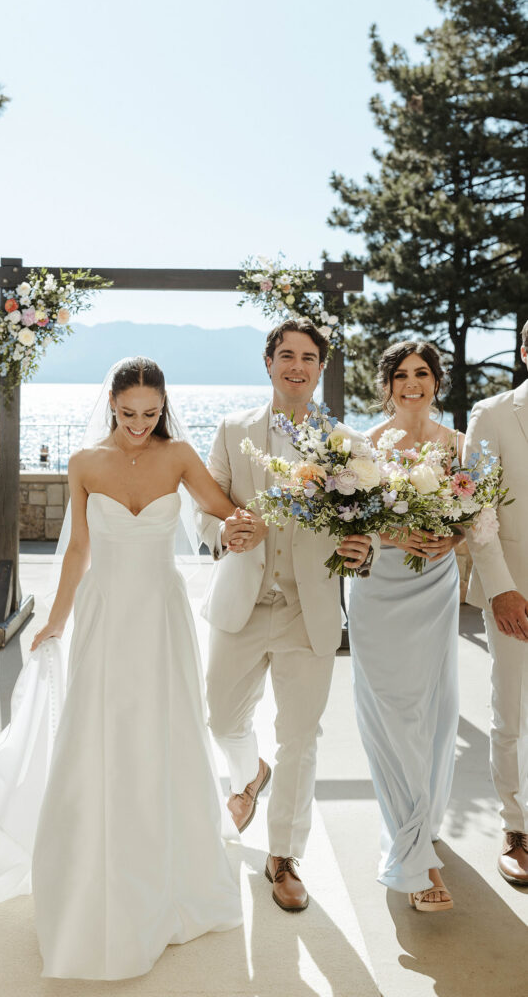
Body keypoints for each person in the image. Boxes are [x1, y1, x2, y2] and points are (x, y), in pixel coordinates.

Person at [0, 357, 242, 980]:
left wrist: (245, 523)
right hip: (106, 611)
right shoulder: (84, 463)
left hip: (162, 614)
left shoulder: (182, 455)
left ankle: (168, 857)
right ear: (111, 403)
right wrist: (55, 620)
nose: (139, 424)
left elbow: (224, 511)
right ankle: (96, 853)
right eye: (128, 412)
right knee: (99, 727)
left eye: (150, 413)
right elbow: (79, 548)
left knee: (165, 727)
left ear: (163, 404)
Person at [196, 318, 375, 913]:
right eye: (285, 355)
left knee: (300, 737)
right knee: (221, 718)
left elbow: (362, 526)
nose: (296, 366)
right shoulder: (231, 429)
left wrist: (363, 549)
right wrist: (223, 529)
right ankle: (251, 774)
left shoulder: (347, 442)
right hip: (242, 604)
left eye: (308, 357)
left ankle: (283, 857)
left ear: (320, 368)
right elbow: (204, 508)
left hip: (310, 608)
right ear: (268, 362)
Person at [348, 340, 463, 912]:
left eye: (421, 373)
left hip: (435, 590)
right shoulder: (365, 445)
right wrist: (392, 535)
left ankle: (420, 827)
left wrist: (454, 536)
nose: (410, 382)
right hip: (378, 591)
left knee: (434, 712)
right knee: (392, 711)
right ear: (386, 383)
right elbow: (350, 524)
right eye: (400, 374)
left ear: (436, 381)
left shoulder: (459, 446)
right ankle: (414, 855)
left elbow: (476, 516)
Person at [464, 321, 528, 886]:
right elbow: (477, 511)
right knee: (512, 712)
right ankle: (516, 828)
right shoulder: (492, 415)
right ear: (526, 350)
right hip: (516, 591)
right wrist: (503, 588)